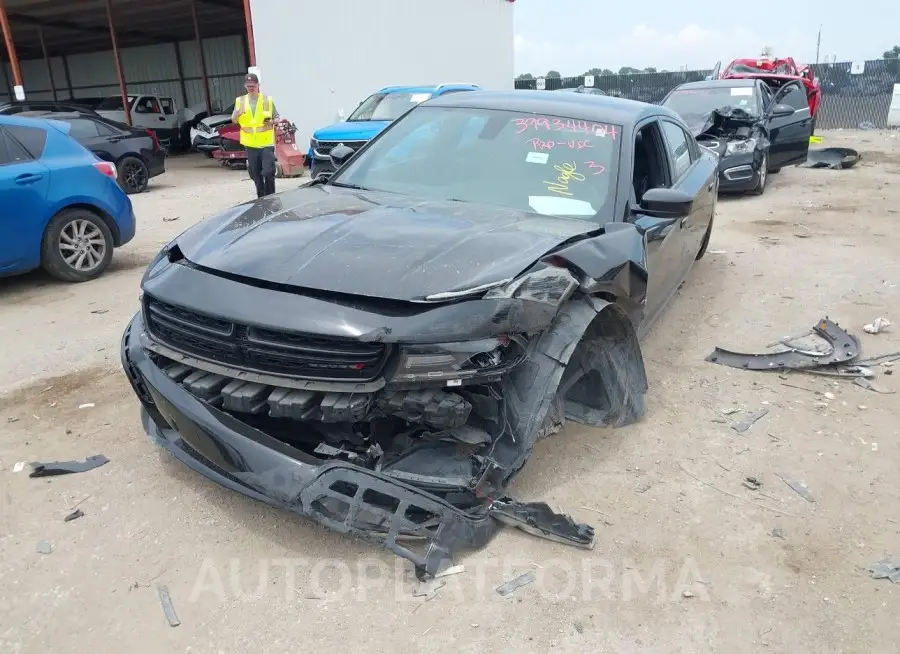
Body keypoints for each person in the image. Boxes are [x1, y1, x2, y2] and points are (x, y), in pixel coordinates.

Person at [232, 73, 278, 198]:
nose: (250, 88)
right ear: (245, 86)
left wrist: (273, 121)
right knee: (256, 174)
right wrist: (237, 114)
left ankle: (271, 197)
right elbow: (234, 120)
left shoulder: (266, 100)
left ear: (258, 85)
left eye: (253, 85)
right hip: (250, 144)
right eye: (248, 86)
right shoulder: (240, 101)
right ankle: (261, 198)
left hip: (266, 142)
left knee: (268, 172)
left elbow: (276, 117)